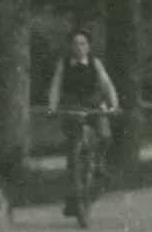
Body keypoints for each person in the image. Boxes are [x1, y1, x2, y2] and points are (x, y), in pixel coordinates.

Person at [45, 28, 120, 218]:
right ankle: (74, 197)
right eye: (75, 43)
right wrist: (52, 106)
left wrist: (113, 103)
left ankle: (99, 164)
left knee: (104, 135)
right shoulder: (63, 64)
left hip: (93, 104)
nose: (79, 47)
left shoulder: (95, 63)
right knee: (73, 149)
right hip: (72, 106)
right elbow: (56, 85)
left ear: (89, 46)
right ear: (70, 46)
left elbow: (106, 84)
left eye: (83, 43)